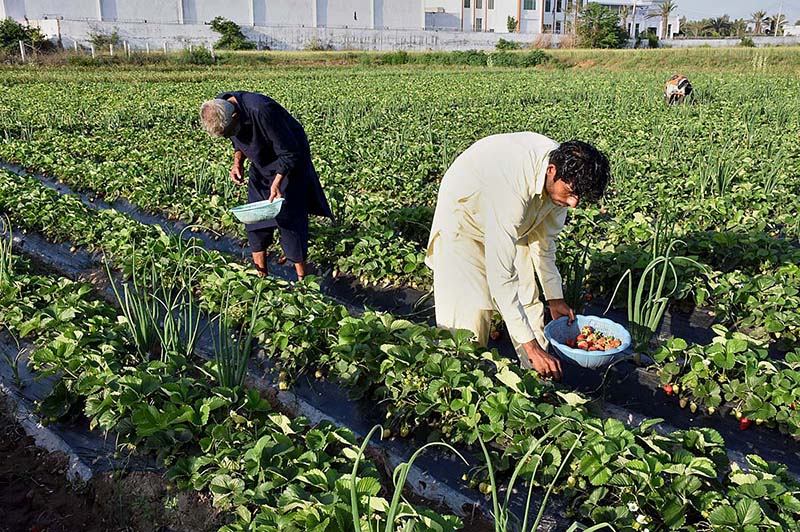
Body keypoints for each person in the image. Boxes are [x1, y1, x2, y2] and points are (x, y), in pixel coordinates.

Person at [425, 134, 611, 381]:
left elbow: (544, 246)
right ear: (552, 170)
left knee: (529, 303)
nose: (573, 203)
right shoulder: (512, 178)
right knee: (469, 320)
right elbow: (500, 276)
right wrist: (530, 347)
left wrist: (555, 299)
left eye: (580, 196)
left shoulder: (563, 180)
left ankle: (537, 381)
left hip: (515, 226)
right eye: (570, 192)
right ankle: (461, 381)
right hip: (464, 224)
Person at [199, 92, 333, 281]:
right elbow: (238, 143)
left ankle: (303, 283)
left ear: (236, 117)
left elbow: (289, 152)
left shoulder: (262, 110)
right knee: (255, 223)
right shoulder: (221, 106)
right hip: (261, 165)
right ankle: (261, 279)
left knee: (289, 220)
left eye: (230, 131)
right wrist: (238, 162)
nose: (230, 136)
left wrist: (278, 182)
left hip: (289, 163)